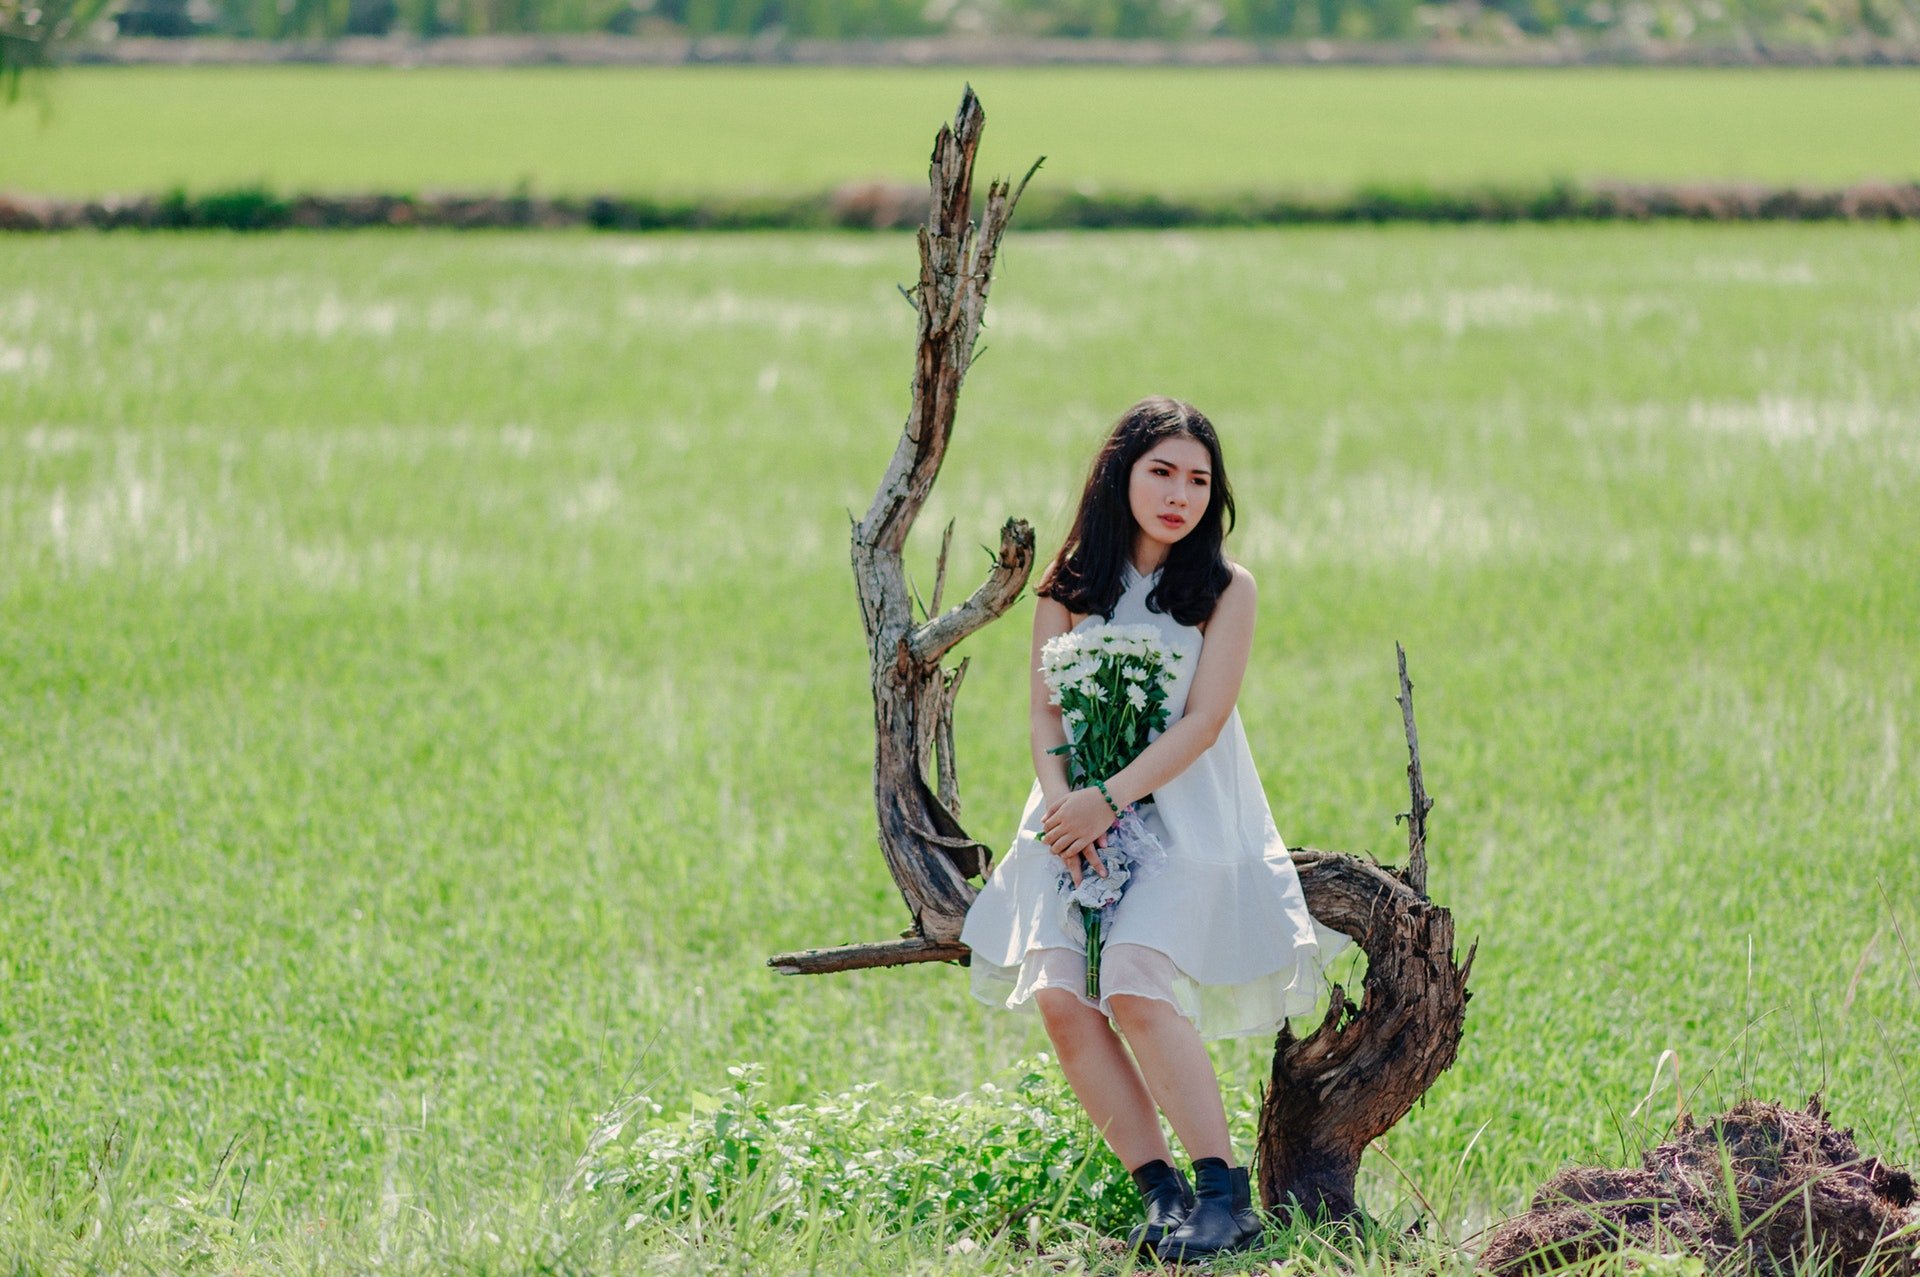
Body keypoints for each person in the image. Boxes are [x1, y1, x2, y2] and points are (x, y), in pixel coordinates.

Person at [959, 395, 1353, 1260]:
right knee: (1063, 998)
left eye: (1199, 480)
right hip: (1072, 821)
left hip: (1185, 814)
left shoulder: (1224, 590)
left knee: (1133, 980)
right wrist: (1071, 806)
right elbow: (1044, 719)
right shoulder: (1068, 587)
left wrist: (1112, 797)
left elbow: (1204, 720)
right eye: (1162, 472)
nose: (1180, 494)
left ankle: (1224, 1192)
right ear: (1121, 475)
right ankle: (1163, 1195)